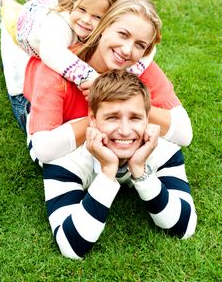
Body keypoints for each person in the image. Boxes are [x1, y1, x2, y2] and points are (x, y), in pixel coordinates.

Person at [0, 0, 192, 156]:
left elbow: (184, 134)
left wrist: (122, 103)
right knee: (12, 30)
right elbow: (42, 150)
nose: (127, 50)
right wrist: (109, 117)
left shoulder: (139, 67)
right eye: (123, 34)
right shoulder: (57, 66)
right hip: (27, 88)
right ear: (103, 28)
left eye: (140, 45)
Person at [41, 70, 197, 259]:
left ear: (148, 118)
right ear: (92, 118)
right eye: (112, 117)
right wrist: (107, 172)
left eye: (135, 118)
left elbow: (184, 227)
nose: (124, 131)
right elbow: (71, 246)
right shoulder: (64, 157)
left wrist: (140, 170)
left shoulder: (163, 148)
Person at [0, 0, 155, 93]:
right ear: (74, 2)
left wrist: (131, 73)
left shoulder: (107, 28)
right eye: (82, 10)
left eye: (97, 16)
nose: (86, 20)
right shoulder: (59, 25)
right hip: (27, 23)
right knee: (10, 13)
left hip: (47, 7)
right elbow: (51, 51)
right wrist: (90, 77)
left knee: (39, 2)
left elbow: (149, 48)